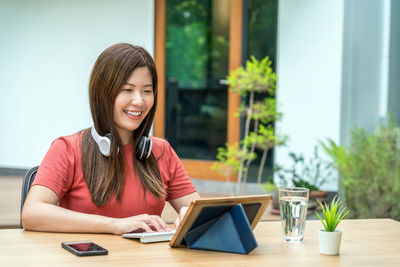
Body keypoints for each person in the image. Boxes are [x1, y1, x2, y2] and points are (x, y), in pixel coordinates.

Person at [22, 43, 200, 235]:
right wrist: (115, 225)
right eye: (127, 89)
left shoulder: (161, 151)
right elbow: (32, 214)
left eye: (147, 91)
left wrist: (190, 216)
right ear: (103, 93)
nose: (139, 101)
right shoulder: (67, 148)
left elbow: (201, 214)